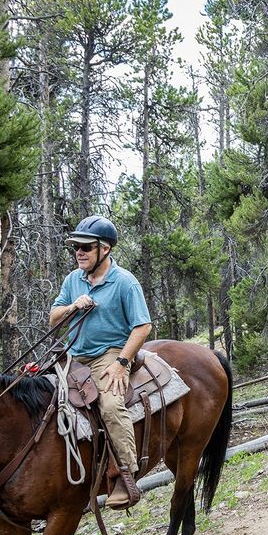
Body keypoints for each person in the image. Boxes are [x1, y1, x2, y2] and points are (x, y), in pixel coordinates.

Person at [50, 215, 153, 510]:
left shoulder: (124, 282)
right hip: (74, 354)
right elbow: (53, 317)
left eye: (85, 247)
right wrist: (72, 305)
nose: (78, 252)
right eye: (76, 247)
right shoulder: (73, 280)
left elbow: (142, 326)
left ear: (104, 249)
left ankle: (126, 472)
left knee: (109, 405)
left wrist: (122, 362)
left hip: (109, 352)